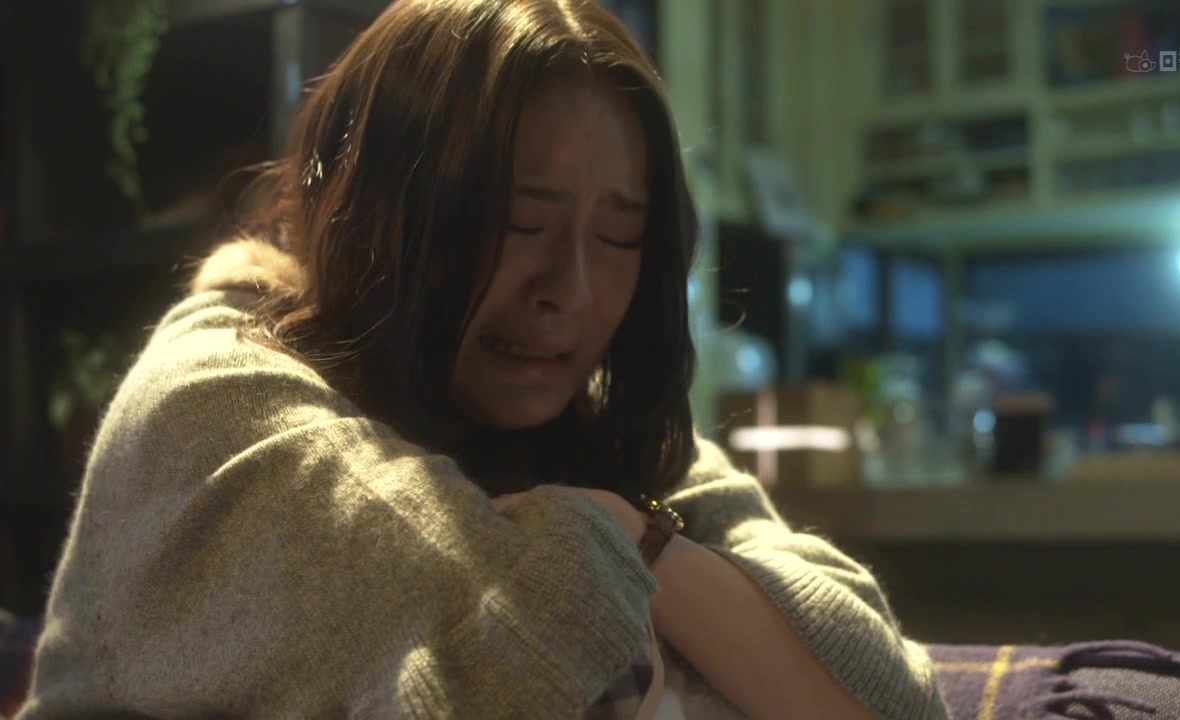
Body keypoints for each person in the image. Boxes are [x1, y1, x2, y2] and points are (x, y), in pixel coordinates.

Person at [18, 1, 946, 718]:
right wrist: (668, 591)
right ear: (373, 208)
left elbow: (886, 696)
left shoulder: (579, 419)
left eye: (617, 238)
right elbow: (556, 659)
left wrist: (629, 530)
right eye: (517, 223)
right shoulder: (216, 395)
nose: (570, 289)